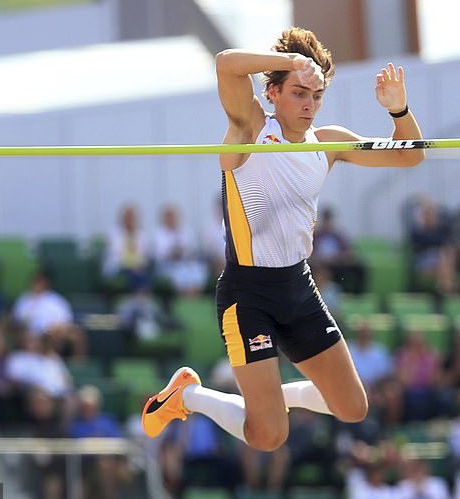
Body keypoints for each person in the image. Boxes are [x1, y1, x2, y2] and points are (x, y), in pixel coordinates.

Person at [142, 27, 425, 451]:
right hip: (247, 293)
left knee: (352, 407)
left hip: (298, 287)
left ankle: (265, 402)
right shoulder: (251, 126)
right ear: (273, 92)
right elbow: (225, 64)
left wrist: (398, 109)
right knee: (269, 436)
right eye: (298, 93)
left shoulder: (328, 143)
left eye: (315, 95)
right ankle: (189, 396)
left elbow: (410, 154)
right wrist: (288, 64)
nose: (309, 104)